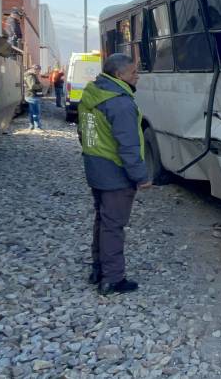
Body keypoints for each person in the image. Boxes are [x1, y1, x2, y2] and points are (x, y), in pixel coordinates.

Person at [78, 54, 152, 296]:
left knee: (102, 220)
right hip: (115, 173)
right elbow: (128, 146)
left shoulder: (92, 93)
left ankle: (98, 270)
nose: (137, 76)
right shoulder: (120, 104)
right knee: (113, 225)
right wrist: (141, 177)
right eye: (133, 72)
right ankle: (112, 279)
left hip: (95, 167)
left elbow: (83, 132)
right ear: (119, 75)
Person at [24, 64, 43, 130]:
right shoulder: (30, 76)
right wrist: (41, 85)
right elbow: (32, 86)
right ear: (35, 69)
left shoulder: (30, 75)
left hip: (31, 95)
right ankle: (37, 127)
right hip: (32, 96)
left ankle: (31, 125)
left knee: (32, 112)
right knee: (36, 112)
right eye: (38, 71)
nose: (39, 72)